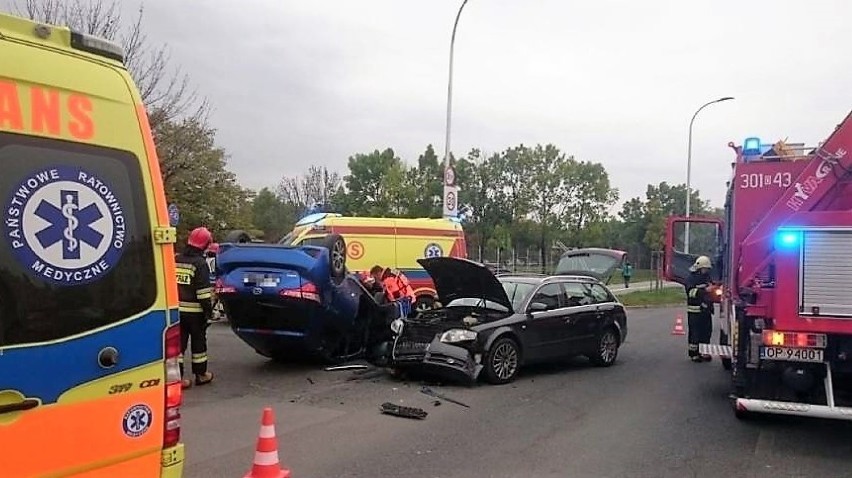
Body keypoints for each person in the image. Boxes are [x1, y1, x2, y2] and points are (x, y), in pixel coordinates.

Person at [175, 227, 216, 388]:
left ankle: (177, 379)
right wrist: (209, 312)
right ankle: (201, 374)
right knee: (199, 344)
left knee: (178, 345)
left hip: (175, 311)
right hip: (195, 313)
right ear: (206, 244)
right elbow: (204, 294)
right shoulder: (200, 264)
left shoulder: (176, 259)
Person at [685, 255, 714, 362]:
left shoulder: (706, 277)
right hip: (695, 311)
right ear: (700, 267)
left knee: (706, 332)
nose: (706, 270)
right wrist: (705, 291)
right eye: (705, 268)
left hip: (705, 311)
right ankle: (694, 354)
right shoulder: (691, 278)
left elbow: (710, 288)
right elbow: (691, 293)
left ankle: (704, 352)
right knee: (695, 333)